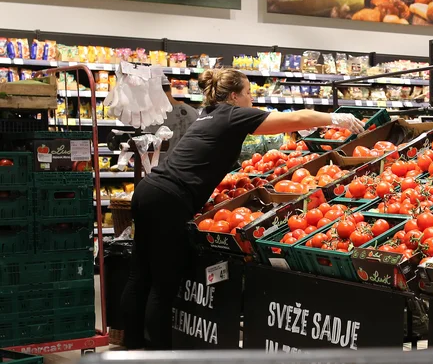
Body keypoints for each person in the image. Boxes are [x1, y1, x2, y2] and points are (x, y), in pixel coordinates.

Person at [120, 68, 364, 350]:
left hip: (149, 190)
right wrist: (334, 118)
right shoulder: (232, 114)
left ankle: (133, 346)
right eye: (249, 92)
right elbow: (292, 118)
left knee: (139, 276)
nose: (252, 98)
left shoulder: (208, 114)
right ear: (235, 96)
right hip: (169, 199)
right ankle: (157, 356)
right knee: (162, 286)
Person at [144, 76, 198, 161]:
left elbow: (147, 151)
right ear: (169, 88)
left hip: (161, 170)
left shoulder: (153, 117)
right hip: (188, 168)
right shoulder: (193, 112)